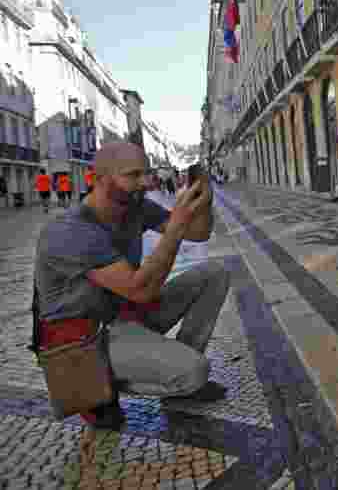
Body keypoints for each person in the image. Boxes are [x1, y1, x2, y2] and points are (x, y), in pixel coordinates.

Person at [33, 141, 228, 429]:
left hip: (126, 315)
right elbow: (142, 289)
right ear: (100, 179)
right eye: (133, 175)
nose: (146, 182)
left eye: (146, 173)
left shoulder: (134, 207)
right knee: (195, 371)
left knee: (215, 273)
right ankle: (98, 389)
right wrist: (174, 229)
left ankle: (177, 371)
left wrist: (204, 202)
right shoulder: (70, 231)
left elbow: (199, 233)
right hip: (86, 339)